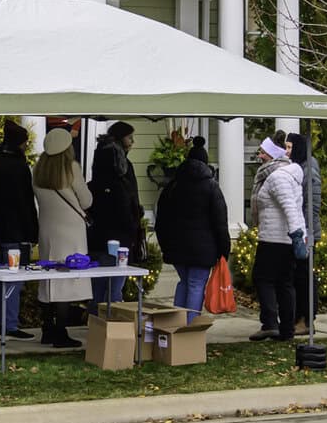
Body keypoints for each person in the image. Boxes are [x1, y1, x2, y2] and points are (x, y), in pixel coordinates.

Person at [154, 133, 228, 322]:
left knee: (184, 282)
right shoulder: (211, 187)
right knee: (196, 285)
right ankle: (190, 329)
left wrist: (165, 246)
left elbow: (161, 220)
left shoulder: (172, 186)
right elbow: (220, 222)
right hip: (203, 248)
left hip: (177, 246)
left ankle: (177, 324)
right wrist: (224, 250)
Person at [0, 120, 38, 340]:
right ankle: (10, 324)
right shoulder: (20, 166)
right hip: (16, 232)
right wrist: (32, 231)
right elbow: (26, 202)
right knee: (14, 280)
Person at [32, 128, 90, 348]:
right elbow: (87, 201)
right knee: (67, 283)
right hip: (71, 232)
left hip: (47, 230)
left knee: (48, 281)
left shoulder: (38, 170)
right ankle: (61, 331)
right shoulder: (72, 169)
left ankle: (47, 328)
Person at [250, 136, 305, 341]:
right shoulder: (289, 174)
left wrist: (298, 236)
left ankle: (271, 323)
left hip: (274, 239)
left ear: (273, 155)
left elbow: (290, 208)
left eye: (263, 152)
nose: (260, 156)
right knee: (284, 283)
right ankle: (286, 330)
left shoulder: (278, 177)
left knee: (262, 278)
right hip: (285, 240)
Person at [88, 121, 144, 305]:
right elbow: (124, 199)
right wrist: (134, 219)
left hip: (99, 232)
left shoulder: (100, 161)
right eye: (129, 137)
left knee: (100, 281)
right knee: (115, 281)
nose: (132, 142)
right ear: (121, 138)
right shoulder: (119, 166)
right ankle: (111, 323)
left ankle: (96, 320)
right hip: (119, 232)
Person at [289, 132, 321, 332]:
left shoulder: (309, 168)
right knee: (297, 277)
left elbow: (312, 203)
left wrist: (305, 230)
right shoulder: (298, 167)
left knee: (305, 277)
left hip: (306, 231)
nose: (287, 151)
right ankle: (298, 316)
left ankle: (307, 319)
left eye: (290, 147)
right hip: (300, 230)